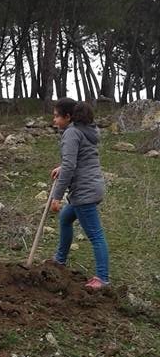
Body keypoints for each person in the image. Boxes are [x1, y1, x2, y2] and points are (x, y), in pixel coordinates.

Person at [50, 98, 109, 289]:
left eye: (57, 116)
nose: (54, 120)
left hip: (84, 191)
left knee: (95, 235)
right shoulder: (84, 130)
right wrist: (62, 166)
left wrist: (56, 196)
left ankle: (102, 278)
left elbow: (69, 166)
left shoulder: (72, 133)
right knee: (66, 219)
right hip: (92, 186)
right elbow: (79, 158)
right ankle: (59, 260)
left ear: (68, 117)